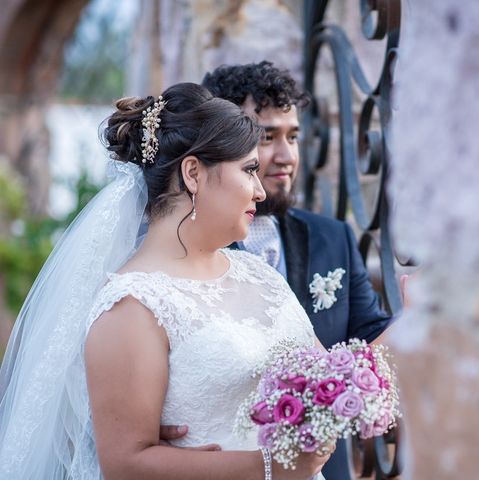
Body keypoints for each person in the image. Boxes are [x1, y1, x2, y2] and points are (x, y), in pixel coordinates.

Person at [0, 82, 330, 479]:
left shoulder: (260, 275)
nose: (260, 190)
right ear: (193, 173)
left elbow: (331, 377)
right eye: (248, 170)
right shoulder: (132, 305)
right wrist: (268, 468)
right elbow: (124, 464)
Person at [198, 61, 395, 480]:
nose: (286, 156)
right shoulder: (190, 247)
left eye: (293, 136)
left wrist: (422, 312)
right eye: (266, 137)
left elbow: (373, 342)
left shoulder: (334, 238)